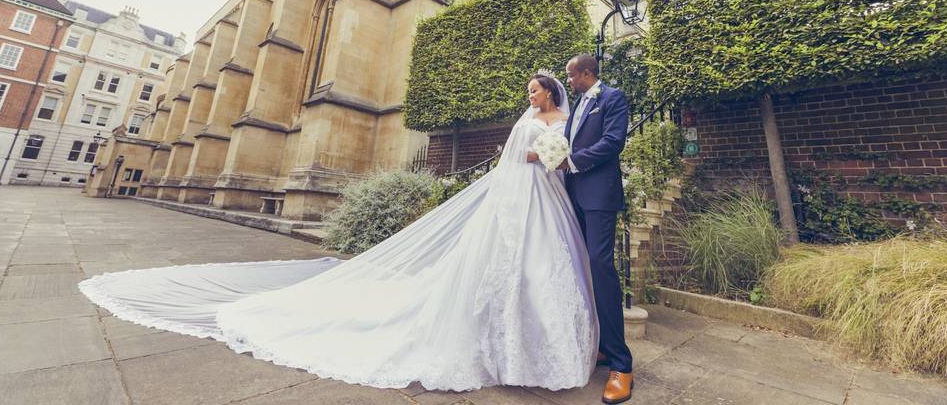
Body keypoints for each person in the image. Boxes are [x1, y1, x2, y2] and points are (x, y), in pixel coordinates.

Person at [79, 74, 599, 393]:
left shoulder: (563, 117)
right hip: (519, 194)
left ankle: (532, 345)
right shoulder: (528, 121)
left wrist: (553, 154)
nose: (530, 97)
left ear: (552, 91)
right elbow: (520, 156)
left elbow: (560, 156)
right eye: (529, 92)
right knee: (507, 263)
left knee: (542, 266)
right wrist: (538, 152)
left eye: (535, 91)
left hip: (545, 199)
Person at [564, 53, 634, 404]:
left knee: (602, 267)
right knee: (582, 268)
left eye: (572, 75)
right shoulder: (577, 105)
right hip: (572, 195)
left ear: (587, 73)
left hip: (599, 197)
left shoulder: (612, 98)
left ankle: (621, 364)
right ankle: (603, 346)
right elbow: (568, 144)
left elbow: (613, 142)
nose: (569, 81)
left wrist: (573, 161)